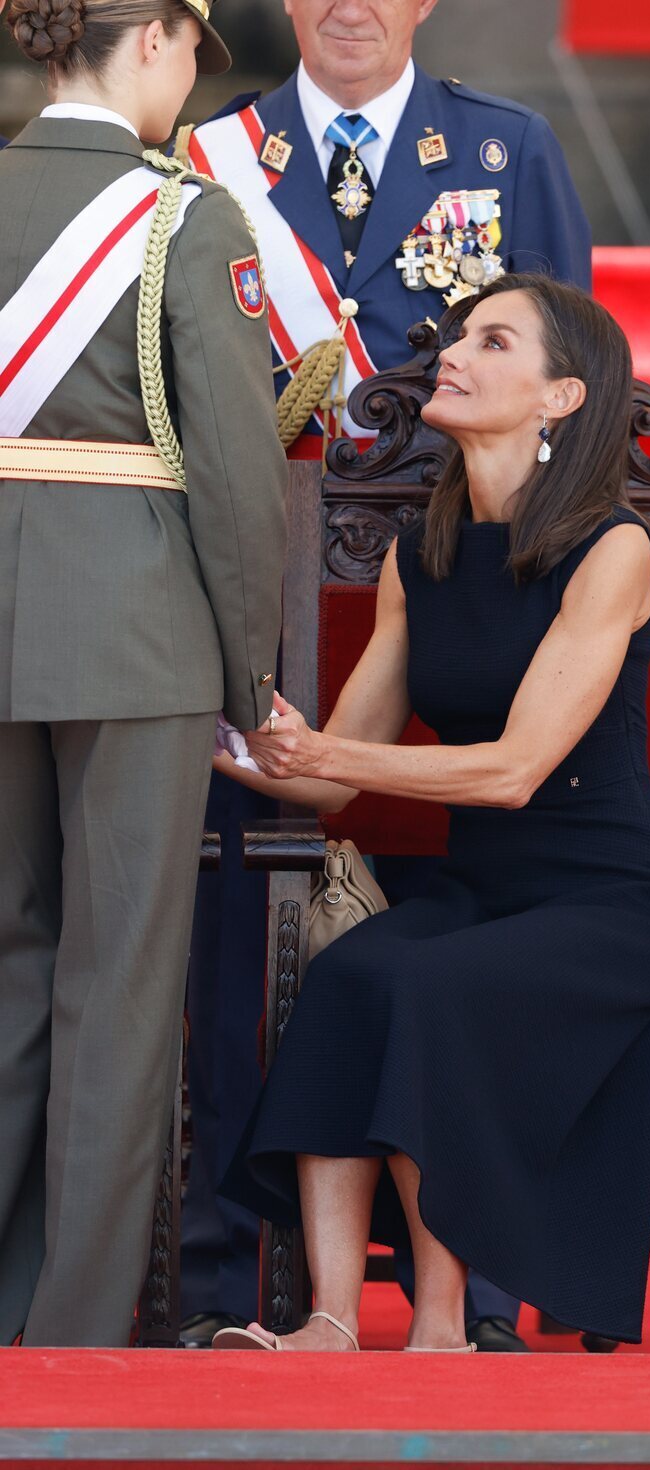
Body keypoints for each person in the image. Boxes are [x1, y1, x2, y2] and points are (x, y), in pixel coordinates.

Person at [177, 0, 592, 1353]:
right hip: (254, 567)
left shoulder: (507, 145)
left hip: (465, 566)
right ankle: (230, 1272)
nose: (350, 0)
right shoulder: (215, 154)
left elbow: (573, 363)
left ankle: (460, 1293)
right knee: (241, 895)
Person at [206, 273, 650, 1353]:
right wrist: (217, 739)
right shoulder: (416, 556)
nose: (452, 354)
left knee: (422, 988)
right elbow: (332, 782)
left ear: (558, 398)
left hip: (605, 910)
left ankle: (439, 1327)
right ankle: (329, 1322)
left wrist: (328, 748)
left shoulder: (609, 550)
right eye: (459, 335)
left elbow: (515, 770)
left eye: (492, 341)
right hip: (482, 894)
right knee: (348, 979)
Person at [0, 0, 287, 1347]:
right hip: (136, 636)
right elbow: (235, 477)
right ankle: (66, 1340)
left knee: (7, 967)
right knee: (116, 991)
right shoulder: (183, 216)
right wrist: (253, 677)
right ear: (161, 41)